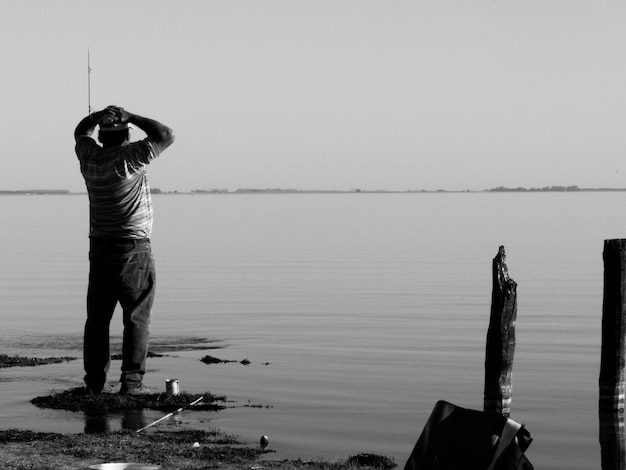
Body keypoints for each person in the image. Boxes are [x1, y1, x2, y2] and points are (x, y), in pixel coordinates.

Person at [74, 105, 175, 394]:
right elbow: (165, 134)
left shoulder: (89, 158)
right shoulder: (130, 158)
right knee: (136, 319)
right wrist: (131, 116)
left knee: (97, 321)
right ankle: (131, 384)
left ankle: (94, 383)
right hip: (134, 251)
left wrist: (95, 117)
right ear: (126, 138)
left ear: (102, 138)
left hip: (100, 250)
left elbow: (80, 132)